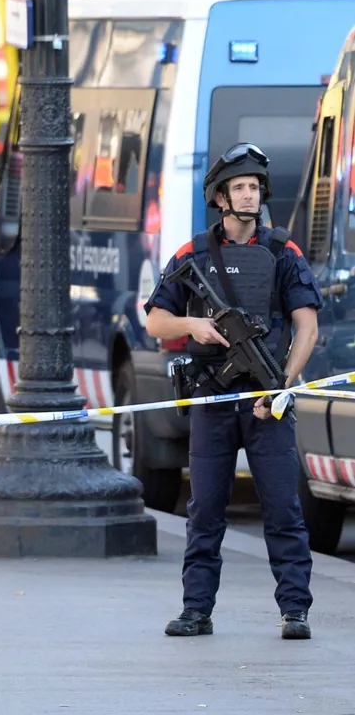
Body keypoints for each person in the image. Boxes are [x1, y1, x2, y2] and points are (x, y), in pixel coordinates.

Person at [142, 142, 323, 640]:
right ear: (220, 198)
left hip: (269, 400)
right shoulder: (193, 253)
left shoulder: (282, 251)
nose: (248, 195)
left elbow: (307, 328)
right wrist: (194, 327)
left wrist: (282, 386)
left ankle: (295, 610)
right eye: (238, 188)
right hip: (212, 398)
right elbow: (155, 320)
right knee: (204, 510)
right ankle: (196, 610)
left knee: (284, 508)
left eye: (254, 188)